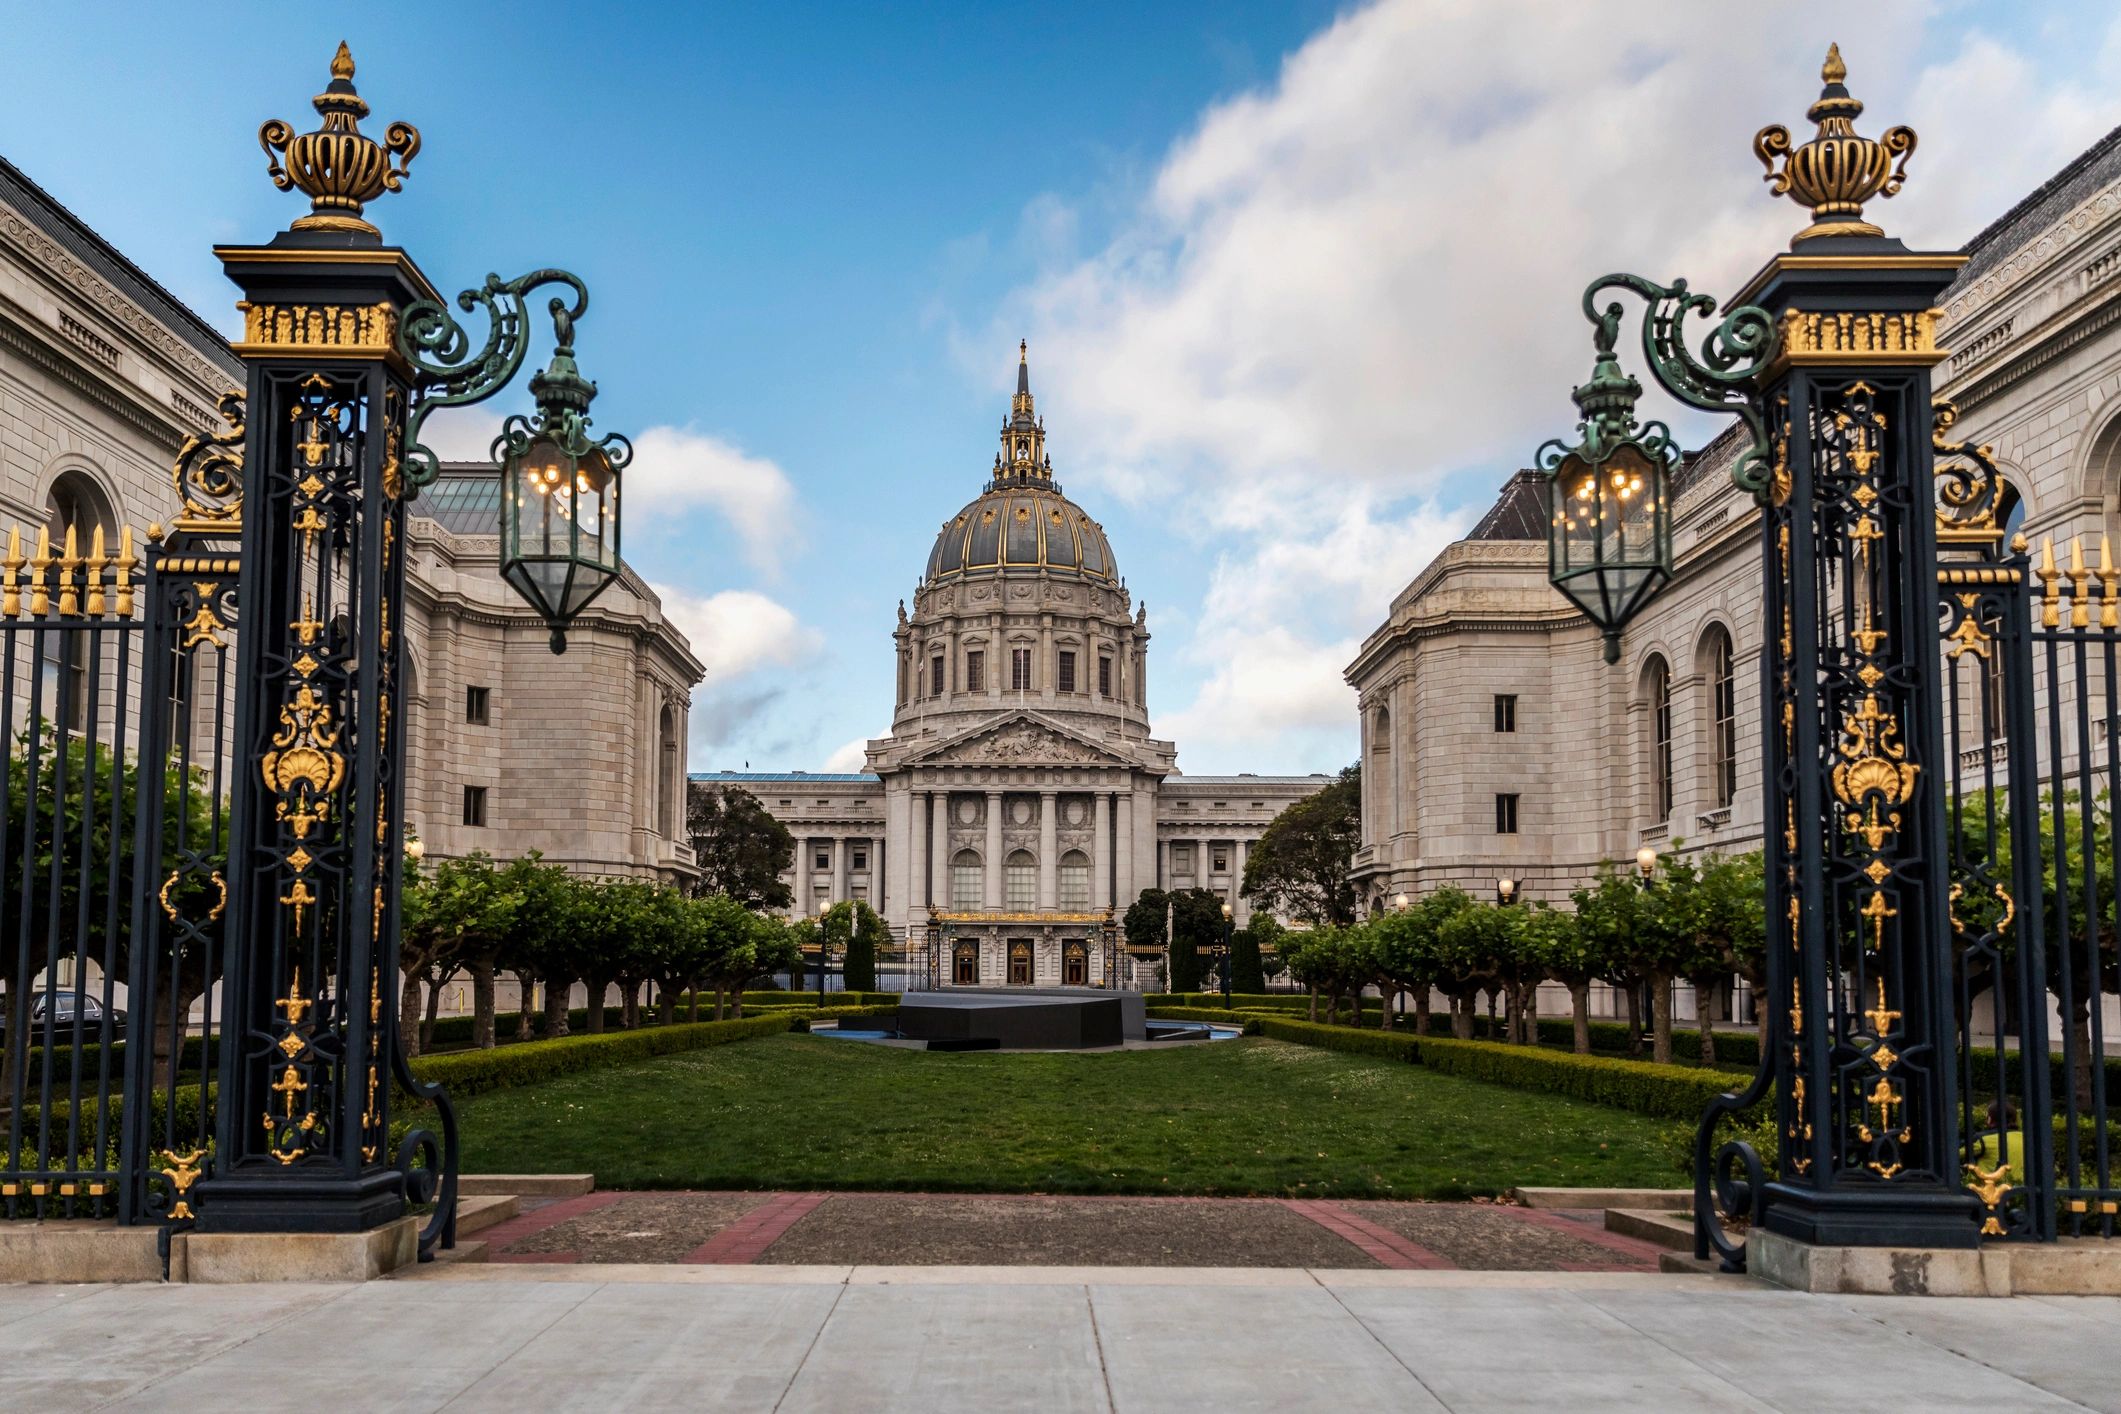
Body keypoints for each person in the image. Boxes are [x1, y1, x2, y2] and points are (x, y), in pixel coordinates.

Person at [1966, 1099, 2025, 1186]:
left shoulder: (1983, 1139)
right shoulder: (2026, 1138)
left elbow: (1954, 1153)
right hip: (2019, 1193)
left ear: (1990, 1118)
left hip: (1987, 1193)